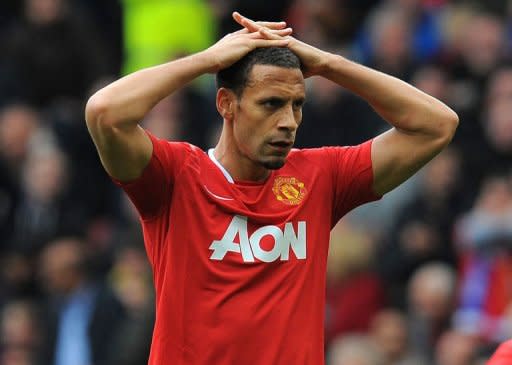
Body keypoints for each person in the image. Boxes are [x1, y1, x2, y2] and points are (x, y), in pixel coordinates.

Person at [85, 11, 458, 365]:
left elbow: (436, 124)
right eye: (271, 104)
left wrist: (329, 65)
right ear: (226, 103)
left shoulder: (320, 176)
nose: (288, 122)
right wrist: (207, 60)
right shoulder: (175, 178)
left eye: (297, 105)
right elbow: (105, 112)